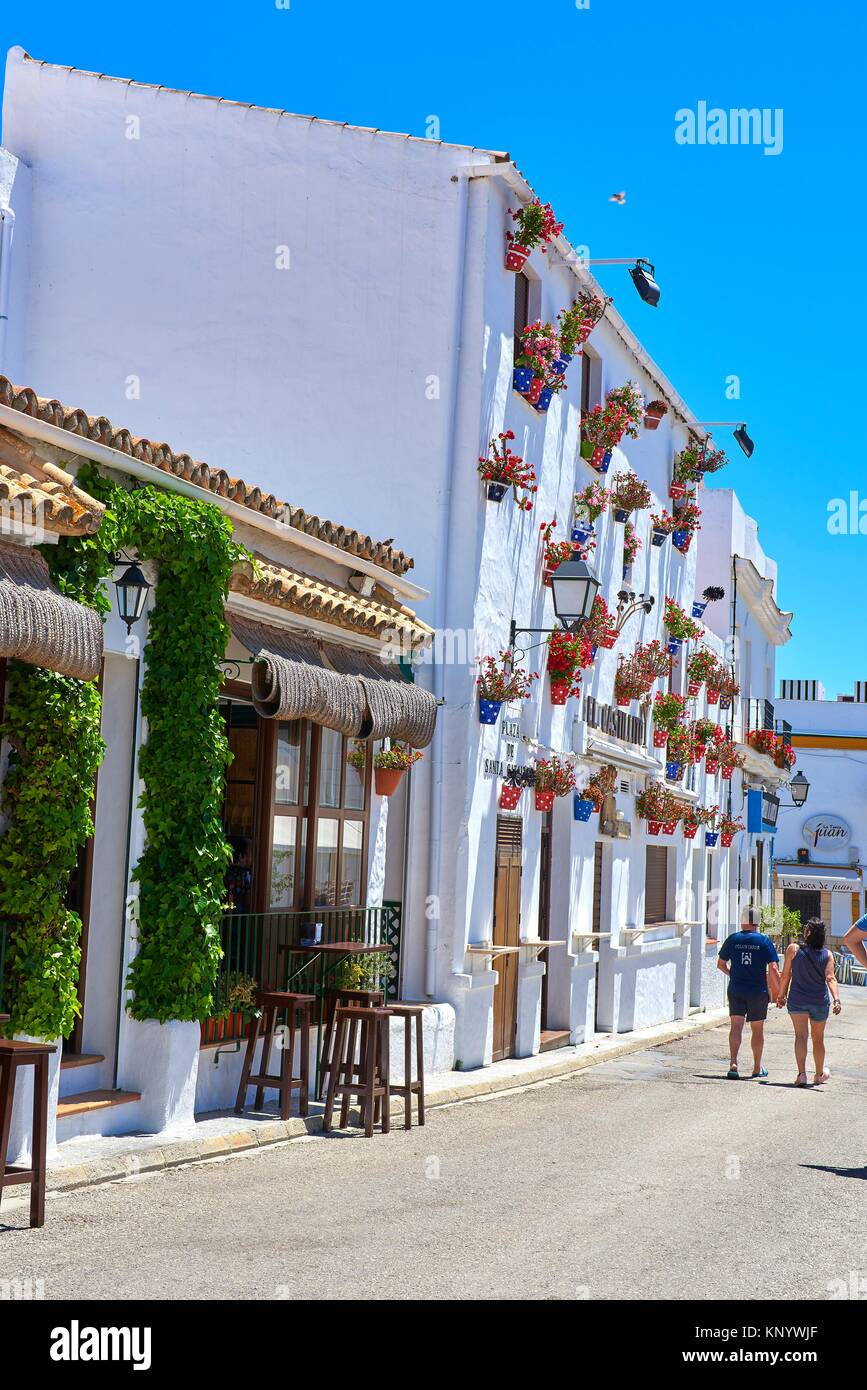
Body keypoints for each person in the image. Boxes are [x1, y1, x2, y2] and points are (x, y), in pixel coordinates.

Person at [775, 917, 841, 1086]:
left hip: (797, 1000)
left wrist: (781, 995)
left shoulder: (793, 949)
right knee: (818, 1039)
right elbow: (830, 978)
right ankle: (819, 1074)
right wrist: (836, 1000)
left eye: (806, 928)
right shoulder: (827, 955)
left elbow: (785, 975)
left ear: (809, 932)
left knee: (801, 1036)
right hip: (819, 1001)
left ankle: (802, 1074)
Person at [717, 908, 781, 1079]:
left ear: (742, 920)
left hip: (736, 989)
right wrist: (781, 991)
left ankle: (733, 1063)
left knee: (736, 1026)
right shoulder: (764, 941)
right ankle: (756, 1068)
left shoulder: (733, 939)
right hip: (757, 991)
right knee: (757, 1030)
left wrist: (733, 974)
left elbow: (721, 964)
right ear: (758, 922)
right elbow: (774, 968)